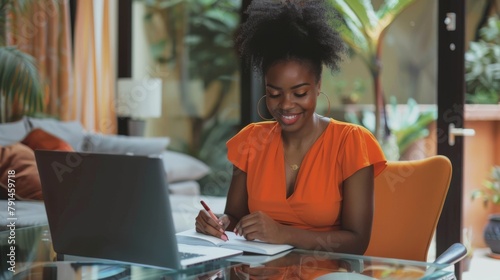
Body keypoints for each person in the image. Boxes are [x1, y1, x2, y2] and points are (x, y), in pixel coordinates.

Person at [195, 0, 387, 255]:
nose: (286, 105)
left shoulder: (352, 142)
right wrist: (218, 223)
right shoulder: (252, 140)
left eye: (300, 93)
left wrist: (283, 234)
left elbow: (357, 242)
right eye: (274, 93)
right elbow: (235, 217)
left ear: (318, 85)